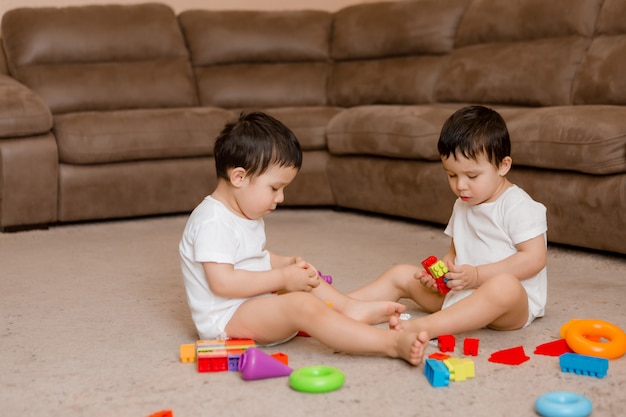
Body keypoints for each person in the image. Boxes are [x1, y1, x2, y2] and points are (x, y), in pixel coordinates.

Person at [179, 111, 428, 365]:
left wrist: (284, 264)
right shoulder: (212, 221)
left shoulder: (243, 211)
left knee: (303, 273)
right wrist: (283, 277)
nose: (281, 198)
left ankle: (346, 306)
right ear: (239, 177)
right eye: (275, 188)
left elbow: (254, 256)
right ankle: (390, 344)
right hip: (227, 320)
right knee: (302, 304)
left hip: (254, 305)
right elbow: (224, 283)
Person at [349, 105, 547, 338]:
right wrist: (440, 275)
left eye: (472, 176)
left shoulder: (517, 205)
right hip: (460, 294)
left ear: (503, 166)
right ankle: (341, 307)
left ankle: (425, 327)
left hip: (508, 307)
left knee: (505, 286)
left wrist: (476, 276)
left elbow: (534, 258)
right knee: (400, 273)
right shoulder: (463, 203)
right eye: (451, 175)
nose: (460, 185)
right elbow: (454, 252)